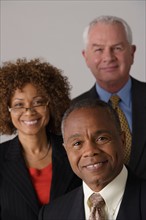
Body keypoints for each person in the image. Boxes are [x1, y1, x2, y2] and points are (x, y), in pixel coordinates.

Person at [0, 58, 81, 220]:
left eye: (38, 102)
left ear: (51, 105)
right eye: (18, 105)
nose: (29, 112)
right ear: (6, 110)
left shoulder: (73, 149)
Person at [39, 99, 146, 220]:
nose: (90, 151)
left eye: (101, 138)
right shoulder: (51, 214)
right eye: (77, 143)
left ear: (122, 141)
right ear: (66, 151)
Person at [73, 15, 146, 179]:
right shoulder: (71, 111)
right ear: (86, 57)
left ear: (132, 52)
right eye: (99, 49)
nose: (108, 57)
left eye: (117, 48)